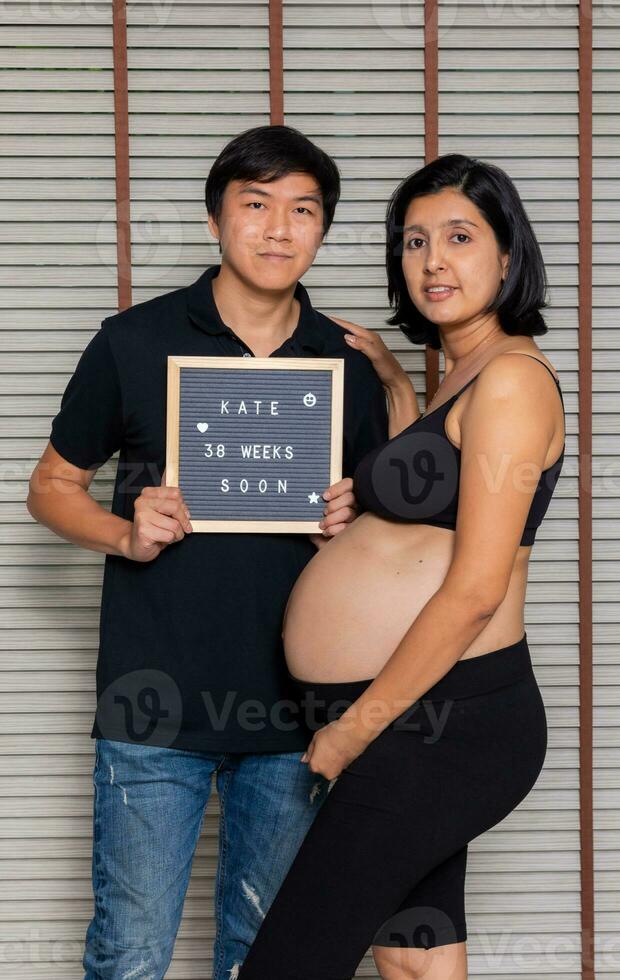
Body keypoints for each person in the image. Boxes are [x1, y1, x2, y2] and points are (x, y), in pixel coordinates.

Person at [25, 125, 400, 979]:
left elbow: (397, 548)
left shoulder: (345, 363)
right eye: (256, 205)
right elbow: (49, 488)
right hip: (153, 703)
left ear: (323, 229)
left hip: (297, 712)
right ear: (214, 220)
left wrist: (354, 521)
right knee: (129, 955)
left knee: (265, 957)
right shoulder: (133, 340)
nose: (278, 229)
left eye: (302, 210)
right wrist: (125, 529)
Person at [237, 154, 566, 980]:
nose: (433, 261)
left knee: (288, 963)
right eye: (414, 242)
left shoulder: (514, 384)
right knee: (416, 964)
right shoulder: (467, 375)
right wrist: (394, 385)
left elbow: (474, 589)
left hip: (439, 726)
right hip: (416, 717)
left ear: (507, 254)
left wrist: (351, 732)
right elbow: (433, 506)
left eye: (460, 237)